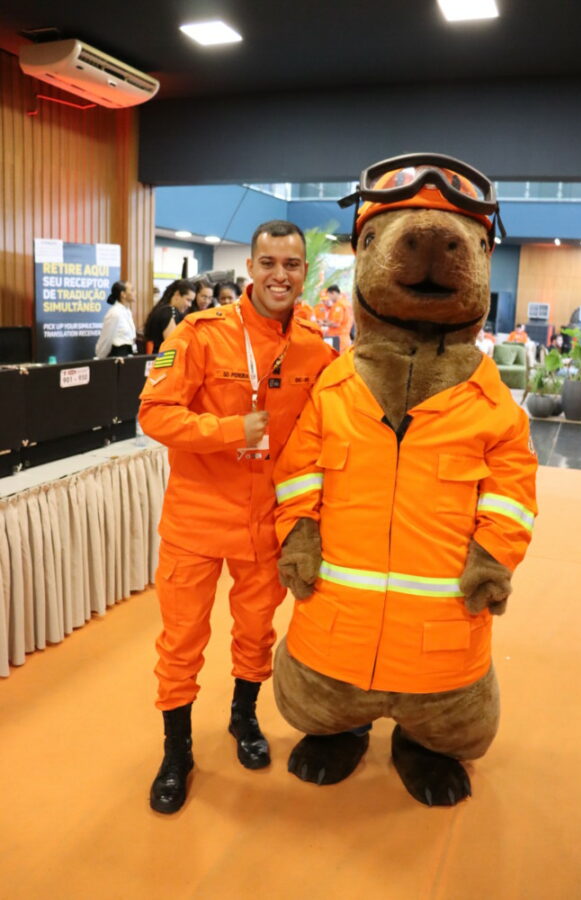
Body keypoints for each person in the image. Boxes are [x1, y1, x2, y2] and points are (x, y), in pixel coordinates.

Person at [138, 220, 336, 815]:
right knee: (181, 642)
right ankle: (177, 751)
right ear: (251, 267)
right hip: (197, 520)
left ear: (304, 273)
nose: (280, 275)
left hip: (268, 525)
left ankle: (243, 719)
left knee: (255, 635)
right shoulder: (200, 334)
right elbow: (154, 414)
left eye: (292, 265)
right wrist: (227, 430)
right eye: (269, 263)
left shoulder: (317, 350)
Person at [143, 279, 196, 354]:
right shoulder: (170, 312)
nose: (189, 305)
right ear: (177, 294)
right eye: (188, 300)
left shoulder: (161, 309)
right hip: (165, 361)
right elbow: (172, 345)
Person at [95, 280, 137, 358]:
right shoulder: (115, 313)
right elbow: (105, 339)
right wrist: (100, 357)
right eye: (132, 290)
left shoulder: (127, 311)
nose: (135, 293)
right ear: (123, 294)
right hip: (117, 356)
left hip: (128, 354)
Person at [314, 285, 346, 350]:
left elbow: (336, 323)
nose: (326, 301)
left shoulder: (338, 305)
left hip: (337, 338)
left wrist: (323, 323)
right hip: (328, 337)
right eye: (323, 300)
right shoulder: (318, 308)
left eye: (327, 298)